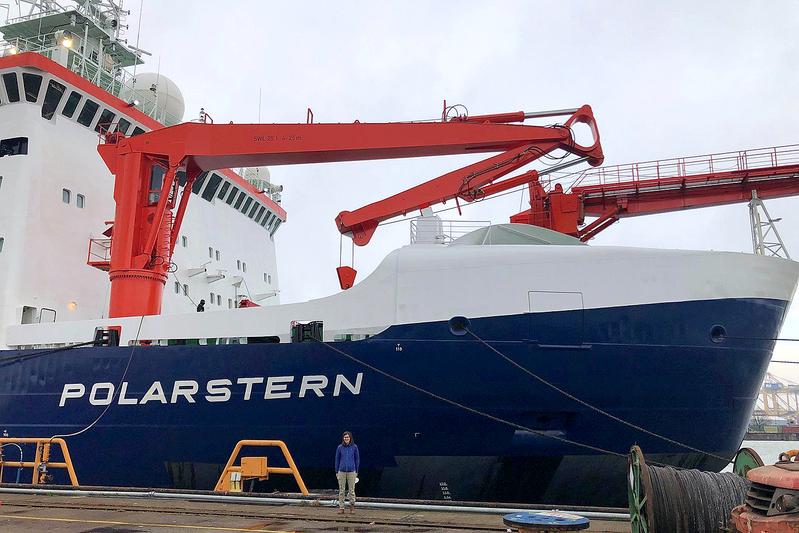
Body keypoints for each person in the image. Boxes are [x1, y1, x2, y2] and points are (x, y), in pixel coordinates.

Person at [334, 431, 359, 513]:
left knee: (351, 490)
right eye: (345, 437)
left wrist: (356, 471)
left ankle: (352, 506)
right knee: (341, 490)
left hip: (352, 471)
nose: (346, 439)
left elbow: (357, 459)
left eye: (347, 437)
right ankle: (341, 507)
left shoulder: (354, 447)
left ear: (350, 438)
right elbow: (337, 460)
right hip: (341, 471)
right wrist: (337, 471)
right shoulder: (340, 448)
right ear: (343, 438)